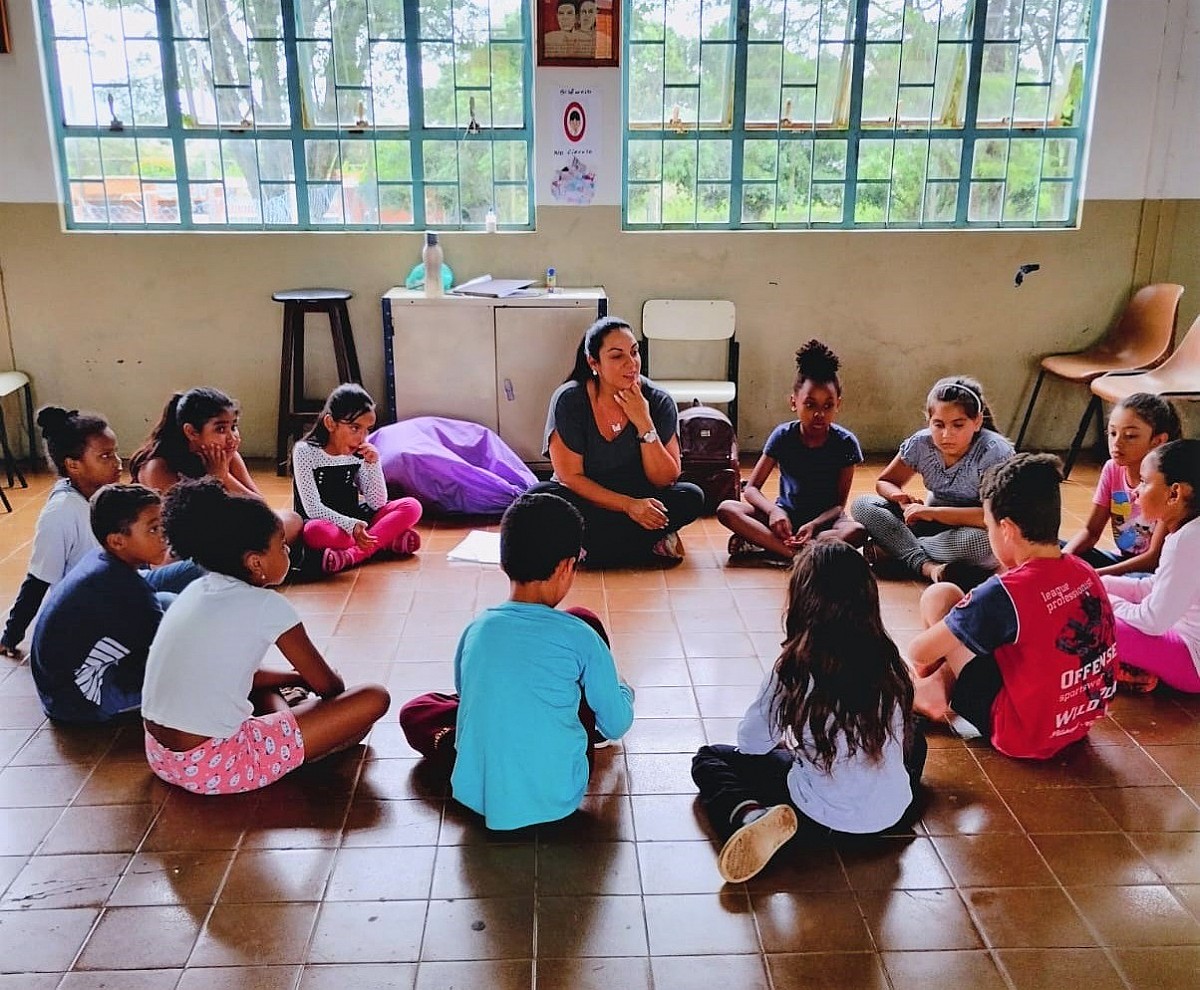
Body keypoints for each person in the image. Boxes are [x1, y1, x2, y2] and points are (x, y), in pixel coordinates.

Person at [398, 493, 635, 831]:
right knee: (583, 623)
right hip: (559, 796)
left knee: (423, 709)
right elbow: (618, 724)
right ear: (567, 567)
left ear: (503, 561)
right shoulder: (580, 636)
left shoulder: (477, 628)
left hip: (474, 794)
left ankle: (487, 750)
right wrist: (623, 686)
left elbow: (465, 697)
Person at [691, 541, 925, 884]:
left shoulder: (794, 669)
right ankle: (885, 791)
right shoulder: (889, 661)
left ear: (801, 604)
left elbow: (752, 745)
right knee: (915, 742)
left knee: (709, 759)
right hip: (891, 817)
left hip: (819, 818)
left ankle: (752, 815)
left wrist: (786, 738)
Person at [141, 478, 390, 795]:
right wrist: (311, 686)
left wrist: (295, 679)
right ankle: (294, 753)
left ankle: (289, 729)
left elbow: (229, 674)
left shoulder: (198, 589)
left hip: (163, 757)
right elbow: (330, 687)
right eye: (282, 546)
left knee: (264, 687)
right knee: (372, 698)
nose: (288, 551)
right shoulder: (269, 606)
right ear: (255, 562)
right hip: (215, 766)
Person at [908, 453, 1117, 760]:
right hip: (1077, 719)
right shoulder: (1083, 570)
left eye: (988, 526)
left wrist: (966, 618)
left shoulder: (1004, 593)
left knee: (938, 598)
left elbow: (918, 652)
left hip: (1023, 733)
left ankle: (930, 691)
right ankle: (936, 686)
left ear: (1006, 529)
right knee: (952, 603)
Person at [528, 316, 704, 567]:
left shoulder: (658, 400)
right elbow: (569, 476)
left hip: (642, 496)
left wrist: (644, 422)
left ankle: (589, 548)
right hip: (588, 499)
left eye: (634, 352)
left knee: (690, 496)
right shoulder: (570, 400)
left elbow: (665, 478)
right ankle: (643, 545)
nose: (631, 363)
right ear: (593, 362)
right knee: (538, 498)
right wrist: (628, 506)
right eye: (617, 356)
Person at [851, 376, 1013, 588]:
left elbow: (993, 516)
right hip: (927, 526)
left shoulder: (993, 452)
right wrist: (897, 496)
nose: (947, 435)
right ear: (928, 420)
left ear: (977, 422)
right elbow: (885, 481)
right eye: (938, 424)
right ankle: (928, 566)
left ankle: (894, 550)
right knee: (862, 504)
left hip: (969, 530)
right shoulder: (921, 443)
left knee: (985, 546)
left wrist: (931, 512)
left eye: (958, 425)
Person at [29, 484, 171, 723]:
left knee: (168, 601)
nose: (164, 536)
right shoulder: (128, 591)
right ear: (117, 541)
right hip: (79, 700)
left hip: (55, 688)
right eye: (154, 529)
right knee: (191, 674)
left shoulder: (100, 558)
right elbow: (172, 654)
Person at [718, 339, 865, 560]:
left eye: (828, 406)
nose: (819, 414)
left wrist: (813, 525)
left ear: (838, 405)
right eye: (810, 404)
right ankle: (800, 555)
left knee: (856, 532)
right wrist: (775, 512)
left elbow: (838, 505)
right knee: (727, 509)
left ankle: (775, 548)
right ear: (794, 402)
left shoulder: (845, 442)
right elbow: (751, 489)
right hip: (785, 517)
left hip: (825, 523)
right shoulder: (784, 436)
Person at [130, 387, 304, 545]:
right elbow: (183, 526)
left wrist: (224, 476)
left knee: (291, 520)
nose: (232, 437)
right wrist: (214, 480)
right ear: (191, 432)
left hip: (223, 534)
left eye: (234, 427)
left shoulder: (228, 456)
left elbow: (263, 510)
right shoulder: (159, 467)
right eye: (220, 430)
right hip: (182, 542)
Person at [1101, 439, 1200, 694]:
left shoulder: (1187, 541)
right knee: (1123, 584)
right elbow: (1155, 586)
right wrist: (1098, 583)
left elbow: (1153, 620)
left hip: (1192, 663)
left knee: (1085, 615)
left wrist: (1103, 600)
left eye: (1144, 482)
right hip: (1182, 640)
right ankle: (1131, 669)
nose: (1136, 492)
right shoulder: (1189, 532)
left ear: (1174, 493)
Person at [293, 384, 422, 574]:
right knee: (314, 532)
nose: (362, 437)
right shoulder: (305, 452)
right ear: (330, 424)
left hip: (356, 520)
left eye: (367, 430)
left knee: (412, 506)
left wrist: (373, 464)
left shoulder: (360, 450)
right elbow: (313, 508)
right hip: (327, 523)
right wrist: (351, 526)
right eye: (355, 428)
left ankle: (351, 555)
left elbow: (377, 503)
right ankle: (383, 541)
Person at [1064, 393, 1181, 575]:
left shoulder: (1169, 482)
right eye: (1112, 433)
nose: (1117, 443)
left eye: (1130, 436)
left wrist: (1096, 575)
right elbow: (1091, 531)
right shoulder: (1112, 469)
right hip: (1121, 561)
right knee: (1052, 549)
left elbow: (1153, 558)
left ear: (1157, 441)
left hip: (1151, 573)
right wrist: (1061, 559)